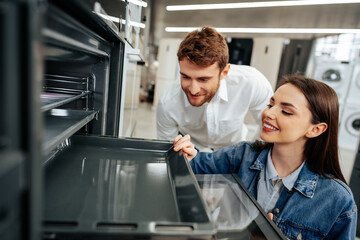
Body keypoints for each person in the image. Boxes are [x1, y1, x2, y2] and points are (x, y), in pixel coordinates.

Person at [173, 75, 357, 239]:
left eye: (286, 111)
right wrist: (188, 152)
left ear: (315, 129)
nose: (268, 113)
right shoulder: (242, 155)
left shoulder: (337, 200)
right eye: (271, 104)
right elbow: (195, 165)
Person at [156, 26, 273, 151]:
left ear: (224, 72)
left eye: (203, 79)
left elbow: (269, 126)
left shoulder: (252, 82)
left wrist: (249, 155)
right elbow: (167, 150)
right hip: (191, 150)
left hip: (233, 149)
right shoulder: (168, 102)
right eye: (186, 77)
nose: (193, 90)